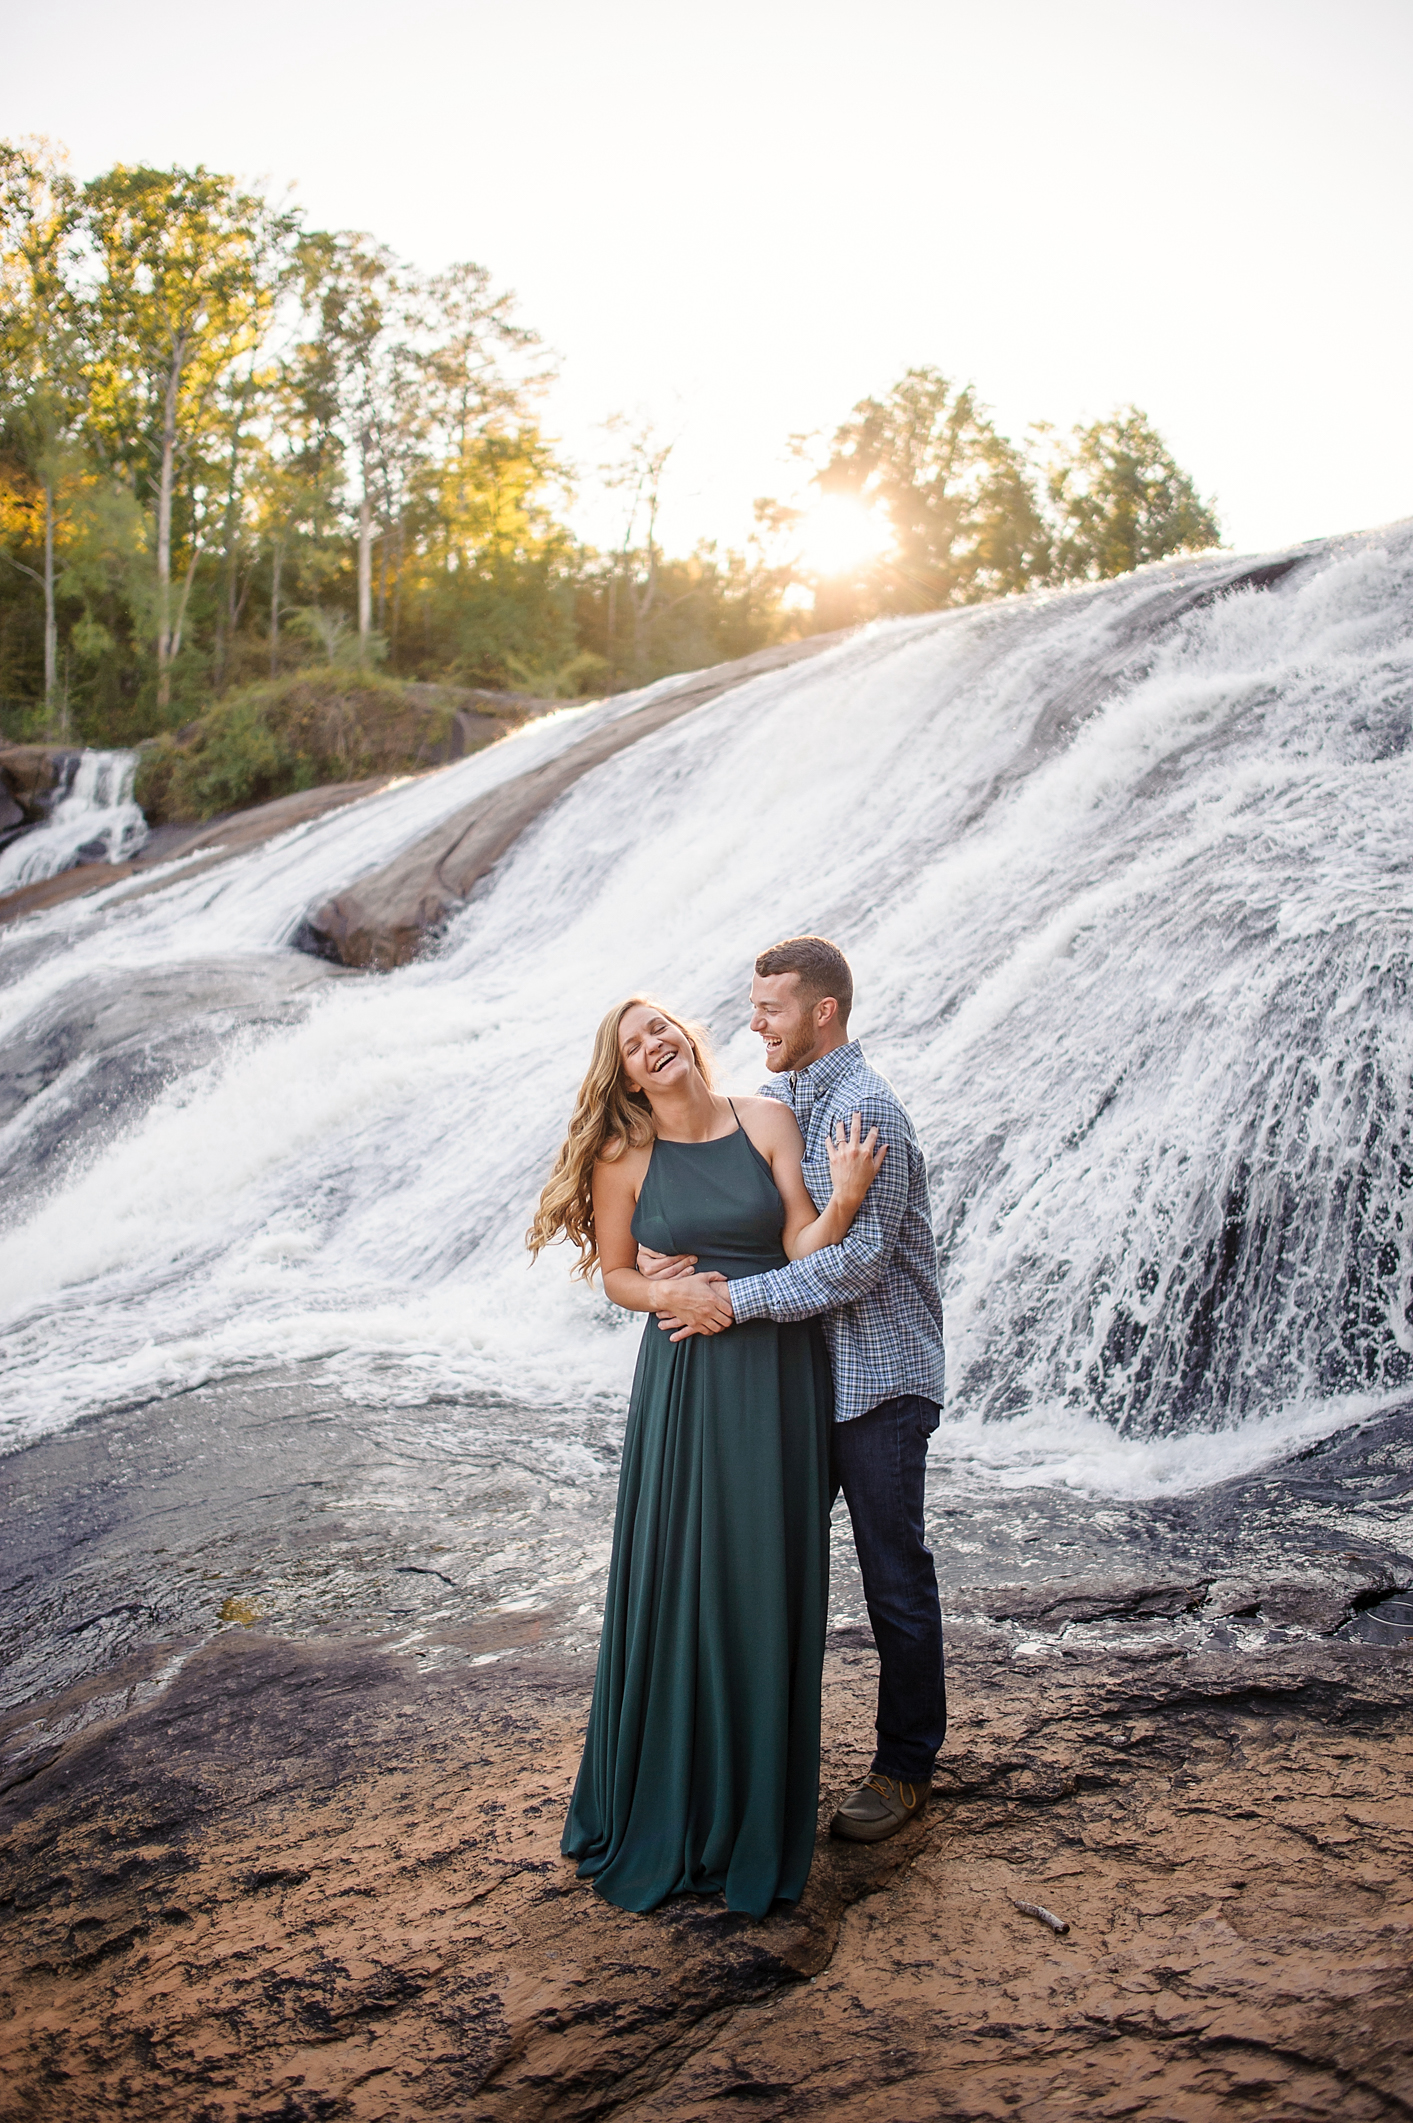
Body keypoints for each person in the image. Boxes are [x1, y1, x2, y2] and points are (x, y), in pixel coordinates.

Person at [528, 995, 885, 1916]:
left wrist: (844, 1195)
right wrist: (663, 1296)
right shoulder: (624, 1154)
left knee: (763, 1572)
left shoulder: (768, 1117)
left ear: (685, 1039)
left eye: (661, 1030)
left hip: (777, 1371)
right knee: (681, 1571)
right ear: (628, 1074)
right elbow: (614, 1272)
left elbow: (801, 1238)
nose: (654, 1046)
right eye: (634, 1046)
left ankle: (753, 1808)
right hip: (685, 1376)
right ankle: (671, 1796)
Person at [640, 937, 947, 1845]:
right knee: (766, 1564)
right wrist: (670, 1250)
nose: (752, 1022)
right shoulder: (785, 1100)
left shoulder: (868, 1111)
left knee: (893, 1579)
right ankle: (746, 1760)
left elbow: (847, 1268)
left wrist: (726, 1300)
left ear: (822, 1012)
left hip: (880, 1381)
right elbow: (743, 1193)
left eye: (769, 1008)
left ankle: (904, 1770)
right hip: (800, 1381)